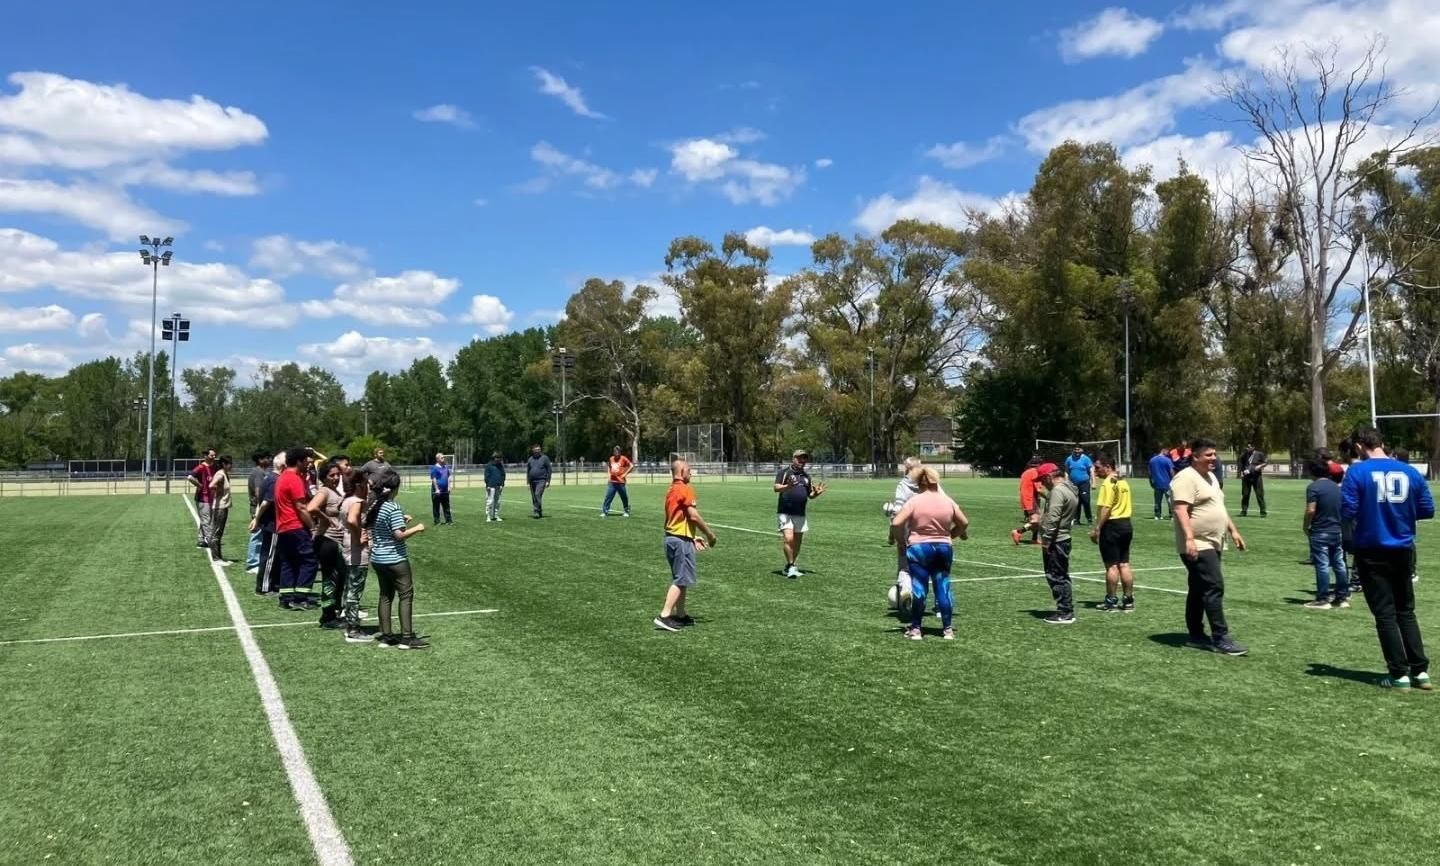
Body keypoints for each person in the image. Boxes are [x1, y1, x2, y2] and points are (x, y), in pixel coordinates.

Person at [1341, 427, 1435, 689]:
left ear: (1359, 446)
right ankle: (1420, 671)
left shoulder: (1357, 472)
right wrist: (1400, 514)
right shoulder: (1409, 472)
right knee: (1405, 610)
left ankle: (1398, 673)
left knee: (1384, 614)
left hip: (1372, 549)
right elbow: (1427, 509)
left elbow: (1347, 510)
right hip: (1403, 548)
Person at [1171, 438, 1248, 656]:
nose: (1214, 458)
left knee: (1198, 588)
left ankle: (1196, 635)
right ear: (1195, 457)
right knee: (1214, 586)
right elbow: (1180, 510)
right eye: (1208, 455)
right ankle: (1221, 637)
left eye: (1214, 454)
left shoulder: (1211, 476)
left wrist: (1233, 531)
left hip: (1214, 541)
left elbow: (1218, 506)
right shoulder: (1185, 478)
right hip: (1198, 542)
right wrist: (1189, 539)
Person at [890, 466, 969, 640]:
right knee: (943, 587)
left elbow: (896, 523)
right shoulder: (948, 501)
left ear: (919, 484)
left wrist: (901, 541)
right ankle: (947, 629)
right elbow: (964, 523)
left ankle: (916, 629)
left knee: (919, 588)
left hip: (919, 548)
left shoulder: (914, 501)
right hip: (943, 548)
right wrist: (950, 535)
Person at [653, 458, 718, 633]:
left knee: (682, 579)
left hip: (673, 538)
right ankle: (664, 615)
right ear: (681, 472)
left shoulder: (671, 490)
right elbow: (693, 516)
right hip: (680, 541)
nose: (691, 473)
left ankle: (681, 614)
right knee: (681, 579)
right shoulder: (685, 489)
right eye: (689, 470)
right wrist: (710, 535)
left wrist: (692, 537)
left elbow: (677, 519)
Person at [367, 468, 429, 649]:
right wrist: (417, 528)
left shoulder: (375, 505)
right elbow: (398, 535)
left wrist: (401, 519)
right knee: (406, 595)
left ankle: (387, 636)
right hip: (395, 558)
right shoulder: (393, 507)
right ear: (395, 488)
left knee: (385, 595)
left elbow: (381, 525)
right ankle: (407, 637)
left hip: (378, 558)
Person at [272, 447, 320, 611]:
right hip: (295, 526)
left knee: (288, 562)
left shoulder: (282, 477)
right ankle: (300, 598)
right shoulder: (294, 479)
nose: (309, 463)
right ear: (299, 461)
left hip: (283, 527)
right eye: (306, 460)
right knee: (309, 561)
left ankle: (286, 597)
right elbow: (301, 507)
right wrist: (312, 527)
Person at [1303, 456, 1351, 609]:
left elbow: (1311, 510)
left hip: (1320, 530)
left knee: (1322, 564)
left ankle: (1323, 599)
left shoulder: (1313, 487)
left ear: (1312, 471)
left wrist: (1305, 526)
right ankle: (1342, 597)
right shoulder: (1336, 486)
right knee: (1339, 563)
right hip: (1336, 530)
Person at [1090, 455, 1135, 613]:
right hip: (1126, 524)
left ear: (1108, 466)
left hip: (1112, 526)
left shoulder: (1108, 483)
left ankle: (1111, 600)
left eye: (1098, 467)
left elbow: (1106, 508)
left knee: (1112, 566)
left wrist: (1097, 528)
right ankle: (1128, 600)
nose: (1096, 471)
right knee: (1124, 564)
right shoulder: (1123, 481)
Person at [774, 449, 827, 579]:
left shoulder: (806, 476)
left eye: (804, 459)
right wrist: (788, 487)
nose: (802, 461)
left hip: (800, 513)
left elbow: (809, 495)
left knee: (797, 541)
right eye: (799, 458)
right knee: (789, 539)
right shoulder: (784, 472)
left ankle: (789, 566)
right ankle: (791, 565)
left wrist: (816, 493)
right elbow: (776, 488)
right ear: (793, 459)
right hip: (785, 512)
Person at [1037, 463, 1079, 625]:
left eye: (1042, 479)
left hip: (1056, 539)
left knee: (1056, 575)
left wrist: (1046, 539)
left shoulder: (1057, 491)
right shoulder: (1069, 489)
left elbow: (1053, 517)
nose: (1042, 483)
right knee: (1061, 574)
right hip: (1064, 537)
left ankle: (1065, 611)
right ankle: (1065, 609)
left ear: (1049, 477)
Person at [310, 459, 349, 629]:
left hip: (336, 541)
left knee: (340, 577)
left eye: (337, 474)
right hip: (327, 540)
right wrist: (327, 520)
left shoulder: (335, 491)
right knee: (330, 579)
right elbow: (311, 508)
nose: (336, 478)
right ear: (324, 477)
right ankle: (327, 617)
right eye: (332, 475)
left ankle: (334, 612)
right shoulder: (324, 491)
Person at [888, 456, 926, 613]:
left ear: (906, 468)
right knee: (928, 566)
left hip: (907, 530)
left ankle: (905, 589)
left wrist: (893, 535)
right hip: (926, 528)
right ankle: (936, 602)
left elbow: (897, 510)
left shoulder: (903, 485)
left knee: (904, 563)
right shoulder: (926, 483)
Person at [340, 470, 373, 643]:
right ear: (359, 485)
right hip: (357, 551)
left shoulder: (346, 500)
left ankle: (349, 624)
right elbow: (352, 520)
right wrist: (359, 535)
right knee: (355, 590)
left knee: (349, 588)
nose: (368, 489)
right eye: (367, 485)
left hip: (348, 547)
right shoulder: (356, 502)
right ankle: (353, 629)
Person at [249, 453, 283, 595]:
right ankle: (263, 587)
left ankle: (274, 584)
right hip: (272, 524)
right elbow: (265, 503)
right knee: (269, 556)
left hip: (271, 523)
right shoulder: (275, 480)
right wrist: (256, 518)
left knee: (273, 555)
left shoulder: (269, 477)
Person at [1393, 448, 1419, 584]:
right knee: (1408, 540)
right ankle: (1410, 570)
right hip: (1409, 511)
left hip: (1399, 511)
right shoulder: (1412, 472)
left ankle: (1410, 569)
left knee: (1405, 541)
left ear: (1396, 456)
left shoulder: (1395, 472)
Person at [245, 451, 272, 573]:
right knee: (256, 535)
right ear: (260, 460)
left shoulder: (262, 472)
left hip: (260, 507)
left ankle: (257, 561)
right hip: (258, 507)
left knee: (260, 535)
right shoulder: (258, 473)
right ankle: (252, 564)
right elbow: (258, 492)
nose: (270, 459)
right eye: (267, 457)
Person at [1011, 457, 1045, 545]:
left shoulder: (1025, 472)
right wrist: (1048, 497)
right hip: (1031, 499)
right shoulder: (1035, 473)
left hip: (1025, 499)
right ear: (1039, 465)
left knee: (1036, 519)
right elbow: (1039, 490)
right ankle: (1018, 531)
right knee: (1036, 520)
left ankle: (1034, 539)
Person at [188, 449, 217, 549]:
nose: (214, 457)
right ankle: (209, 540)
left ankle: (201, 539)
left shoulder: (213, 467)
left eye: (214, 455)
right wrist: (199, 485)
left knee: (206, 519)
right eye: (212, 455)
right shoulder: (201, 467)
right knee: (206, 519)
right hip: (203, 498)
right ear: (206, 456)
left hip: (211, 497)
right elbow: (190, 477)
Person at [208, 456, 234, 565]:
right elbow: (211, 485)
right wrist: (217, 491)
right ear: (224, 464)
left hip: (223, 507)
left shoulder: (225, 473)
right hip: (219, 508)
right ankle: (216, 559)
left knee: (219, 533)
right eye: (230, 463)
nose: (231, 466)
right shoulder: (220, 474)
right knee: (216, 532)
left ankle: (219, 557)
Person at [1065, 444, 1095, 525]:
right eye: (1075, 449)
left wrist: (1093, 483)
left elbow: (1091, 470)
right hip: (1073, 484)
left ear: (1082, 450)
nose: (1077, 451)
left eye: (1079, 449)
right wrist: (1066, 482)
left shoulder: (1086, 459)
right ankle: (1076, 520)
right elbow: (1067, 471)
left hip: (1084, 483)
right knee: (1076, 502)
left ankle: (1089, 519)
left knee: (1086, 501)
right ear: (1073, 450)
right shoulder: (1069, 459)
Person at [601, 446, 633, 517]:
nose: (616, 452)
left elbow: (631, 466)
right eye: (615, 451)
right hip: (612, 482)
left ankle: (626, 511)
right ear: (614, 452)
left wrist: (625, 474)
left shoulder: (623, 458)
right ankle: (605, 511)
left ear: (620, 452)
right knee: (608, 497)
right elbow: (609, 467)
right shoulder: (611, 458)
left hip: (621, 482)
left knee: (624, 497)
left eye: (618, 451)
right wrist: (609, 475)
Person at [1239, 442, 1268, 517]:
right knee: (1245, 494)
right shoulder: (1244, 455)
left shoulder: (1259, 454)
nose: (1248, 448)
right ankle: (1244, 511)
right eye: (1247, 447)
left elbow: (1265, 462)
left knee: (1259, 494)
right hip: (1246, 477)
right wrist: (1242, 473)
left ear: (1253, 447)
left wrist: (1260, 466)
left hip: (1257, 477)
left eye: (1249, 447)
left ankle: (1263, 512)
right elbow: (1241, 464)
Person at [1148, 445, 1175, 520]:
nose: (1168, 453)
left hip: (1156, 484)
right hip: (1167, 483)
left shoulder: (1152, 460)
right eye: (1167, 451)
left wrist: (1151, 482)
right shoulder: (1167, 460)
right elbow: (1171, 471)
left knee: (1157, 501)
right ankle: (1172, 515)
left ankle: (1157, 515)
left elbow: (1150, 473)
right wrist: (1174, 480)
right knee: (1169, 500)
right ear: (1163, 450)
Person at [526, 444, 552, 518]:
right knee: (534, 497)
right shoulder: (530, 459)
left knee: (537, 494)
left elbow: (549, 469)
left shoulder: (545, 458)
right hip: (532, 481)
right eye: (536, 450)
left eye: (539, 449)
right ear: (533, 450)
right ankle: (539, 511)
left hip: (541, 480)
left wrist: (548, 481)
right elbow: (528, 471)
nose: (538, 451)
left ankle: (536, 511)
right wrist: (528, 482)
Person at [430, 453, 453, 525]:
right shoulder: (434, 468)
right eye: (442, 458)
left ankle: (449, 521)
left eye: (443, 457)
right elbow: (434, 479)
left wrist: (449, 487)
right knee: (436, 507)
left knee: (446, 506)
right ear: (437, 459)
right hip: (437, 491)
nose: (444, 459)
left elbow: (449, 477)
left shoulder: (446, 467)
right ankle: (437, 521)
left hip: (445, 491)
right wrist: (436, 489)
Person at [485, 453, 506, 522]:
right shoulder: (489, 465)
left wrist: (502, 484)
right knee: (490, 501)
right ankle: (488, 516)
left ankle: (496, 515)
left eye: (500, 458)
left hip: (498, 486)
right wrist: (488, 485)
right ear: (494, 458)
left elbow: (503, 475)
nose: (499, 460)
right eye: (498, 458)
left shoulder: (500, 466)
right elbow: (486, 476)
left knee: (498, 502)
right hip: (491, 486)